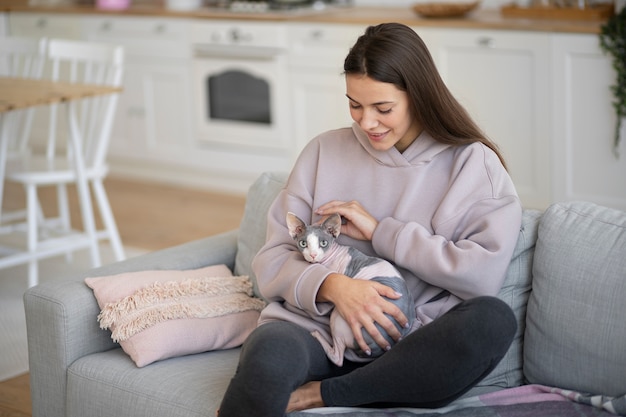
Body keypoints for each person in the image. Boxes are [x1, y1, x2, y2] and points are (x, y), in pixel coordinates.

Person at [217, 22, 522, 417]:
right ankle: (358, 389)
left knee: (491, 321)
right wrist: (334, 287)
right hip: (315, 330)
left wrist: (382, 233)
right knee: (269, 352)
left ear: (419, 95)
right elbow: (272, 258)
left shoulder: (471, 163)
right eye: (354, 104)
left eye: (383, 108)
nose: (367, 122)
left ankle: (323, 394)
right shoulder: (323, 151)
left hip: (409, 343)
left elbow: (480, 275)